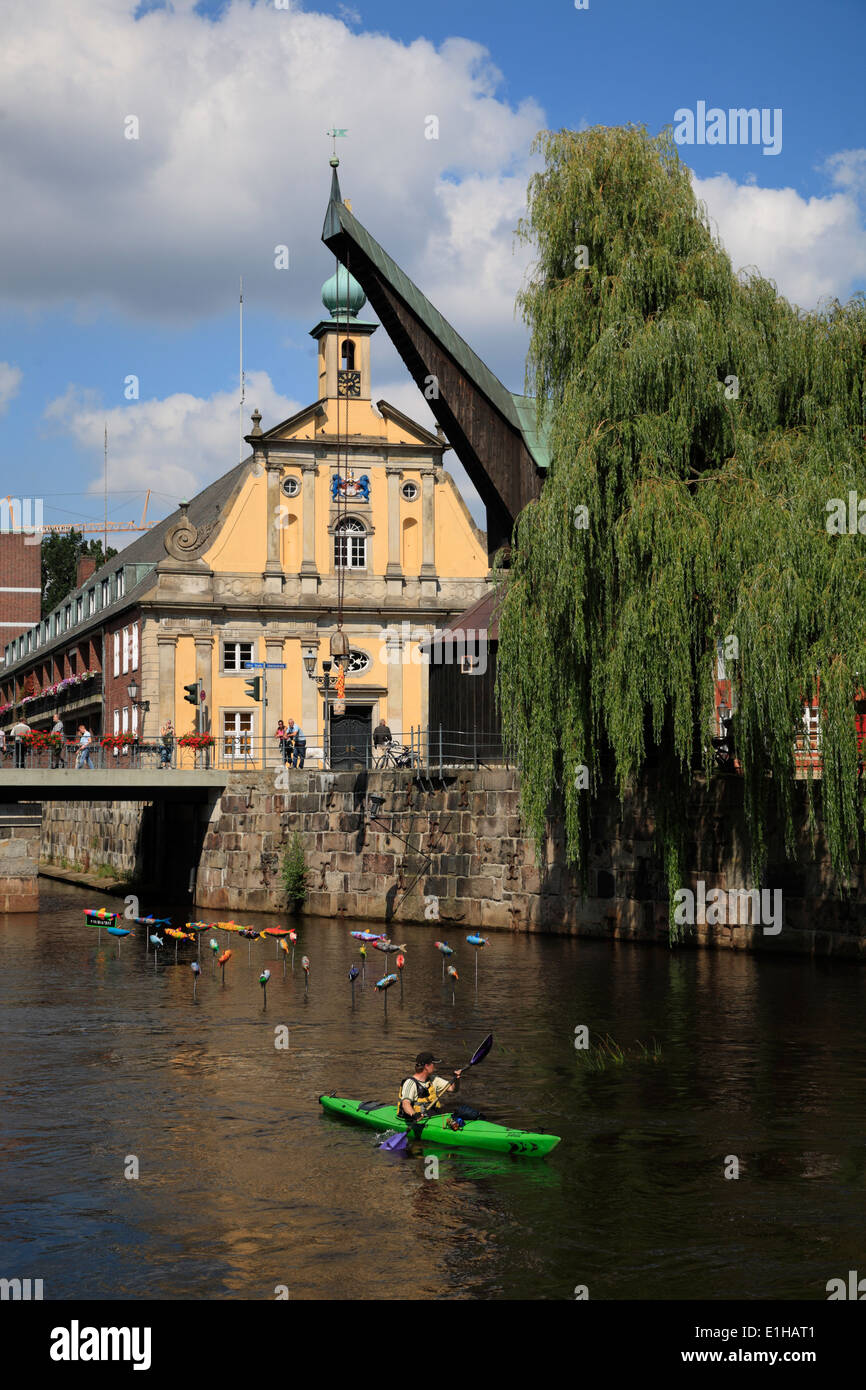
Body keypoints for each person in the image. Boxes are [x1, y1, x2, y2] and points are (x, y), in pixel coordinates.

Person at [398, 1051, 462, 1124]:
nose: (434, 1066)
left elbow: (453, 1089)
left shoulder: (434, 1079)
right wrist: (414, 1114)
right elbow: (405, 1103)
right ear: (426, 1066)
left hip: (432, 1118)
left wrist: (456, 1079)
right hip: (416, 1119)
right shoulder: (410, 1083)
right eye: (433, 1064)